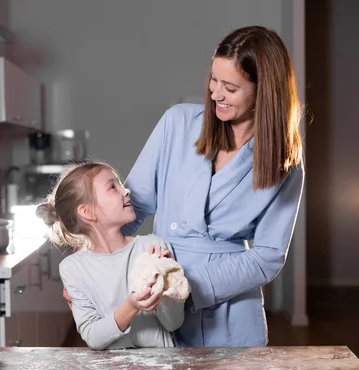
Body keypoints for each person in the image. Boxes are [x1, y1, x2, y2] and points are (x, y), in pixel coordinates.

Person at [64, 25, 304, 347]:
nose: (215, 94)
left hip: (230, 310)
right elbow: (129, 209)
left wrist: (185, 285)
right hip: (156, 301)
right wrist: (91, 271)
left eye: (230, 87)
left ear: (265, 90)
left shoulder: (284, 164)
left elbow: (267, 257)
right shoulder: (177, 123)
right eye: (213, 80)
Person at [36, 161, 185, 350]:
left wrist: (163, 283)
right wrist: (131, 306)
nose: (126, 191)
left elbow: (174, 323)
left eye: (120, 184)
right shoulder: (73, 268)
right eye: (113, 187)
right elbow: (93, 338)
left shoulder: (152, 247)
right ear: (87, 212)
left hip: (161, 369)